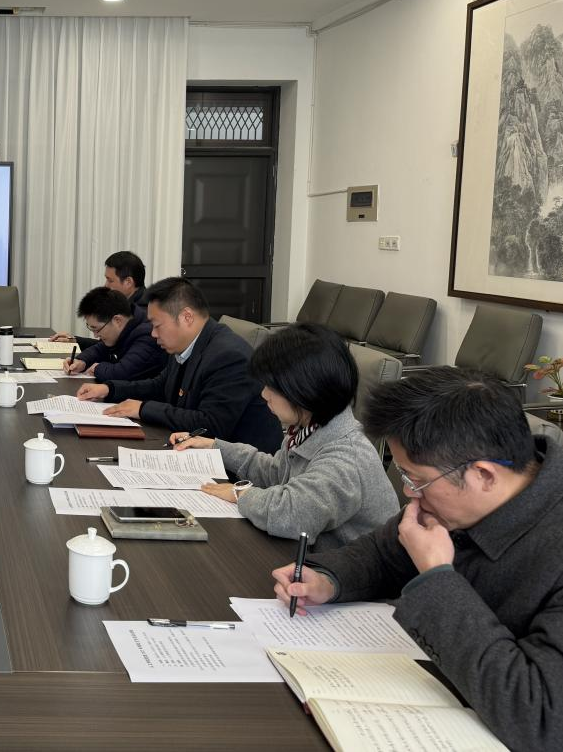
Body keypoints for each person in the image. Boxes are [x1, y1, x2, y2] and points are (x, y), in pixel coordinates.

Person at [272, 367, 563, 750]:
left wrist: (437, 577)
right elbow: (385, 552)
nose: (410, 494)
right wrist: (330, 580)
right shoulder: (455, 497)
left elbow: (540, 716)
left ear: (484, 475)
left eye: (416, 479)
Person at [169, 323, 397, 548]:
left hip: (344, 570)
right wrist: (215, 447)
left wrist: (240, 493)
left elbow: (292, 514)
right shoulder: (308, 426)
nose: (264, 394)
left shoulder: (346, 457)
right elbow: (277, 474)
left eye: (272, 387)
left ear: (305, 389)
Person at [77, 277, 280, 451]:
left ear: (186, 317)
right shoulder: (187, 344)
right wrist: (109, 389)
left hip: (236, 470)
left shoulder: (228, 356)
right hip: (192, 449)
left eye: (157, 326)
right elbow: (159, 385)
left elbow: (210, 425)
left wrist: (143, 408)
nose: (153, 333)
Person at [64, 286, 165, 383]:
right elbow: (101, 348)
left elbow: (123, 373)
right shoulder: (127, 323)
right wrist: (82, 361)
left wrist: (97, 368)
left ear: (117, 320)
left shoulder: (148, 335)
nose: (95, 335)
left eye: (97, 329)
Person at [51, 250, 147, 346]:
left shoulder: (141, 313)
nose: (106, 285)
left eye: (110, 280)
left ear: (128, 282)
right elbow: (105, 346)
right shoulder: (127, 304)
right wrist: (75, 340)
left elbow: (110, 350)